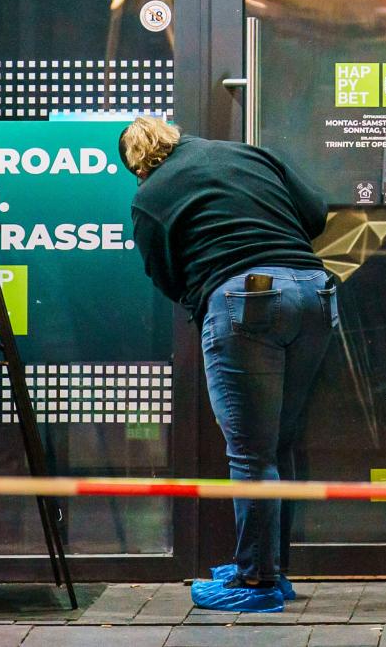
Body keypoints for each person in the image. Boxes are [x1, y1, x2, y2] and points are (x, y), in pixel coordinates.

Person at [120, 116, 336, 613]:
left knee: (250, 451)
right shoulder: (249, 154)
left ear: (138, 163)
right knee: (278, 443)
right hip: (314, 293)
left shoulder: (151, 195)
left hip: (244, 301)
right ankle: (270, 569)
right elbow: (317, 214)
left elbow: (165, 275)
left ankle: (254, 582)